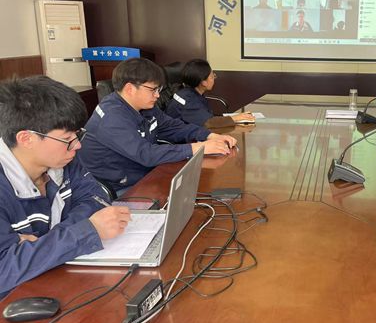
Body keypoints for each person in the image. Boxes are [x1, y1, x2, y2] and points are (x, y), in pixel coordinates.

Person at [0, 76, 131, 298]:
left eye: (77, 134)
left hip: (56, 279)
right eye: (67, 138)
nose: (77, 145)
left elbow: (96, 198)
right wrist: (84, 232)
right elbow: (4, 272)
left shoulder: (62, 160)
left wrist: (47, 244)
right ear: (26, 139)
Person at [78, 58, 236, 194]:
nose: (158, 95)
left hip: (144, 173)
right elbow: (146, 154)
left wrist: (209, 135)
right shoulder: (112, 118)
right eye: (153, 89)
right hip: (119, 187)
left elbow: (172, 126)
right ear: (130, 89)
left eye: (159, 89)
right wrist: (198, 147)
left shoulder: (144, 106)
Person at [166, 59, 254, 127]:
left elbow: (207, 117)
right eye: (212, 76)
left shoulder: (192, 93)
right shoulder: (188, 100)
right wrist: (235, 118)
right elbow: (208, 123)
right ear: (203, 82)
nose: (214, 79)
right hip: (179, 141)